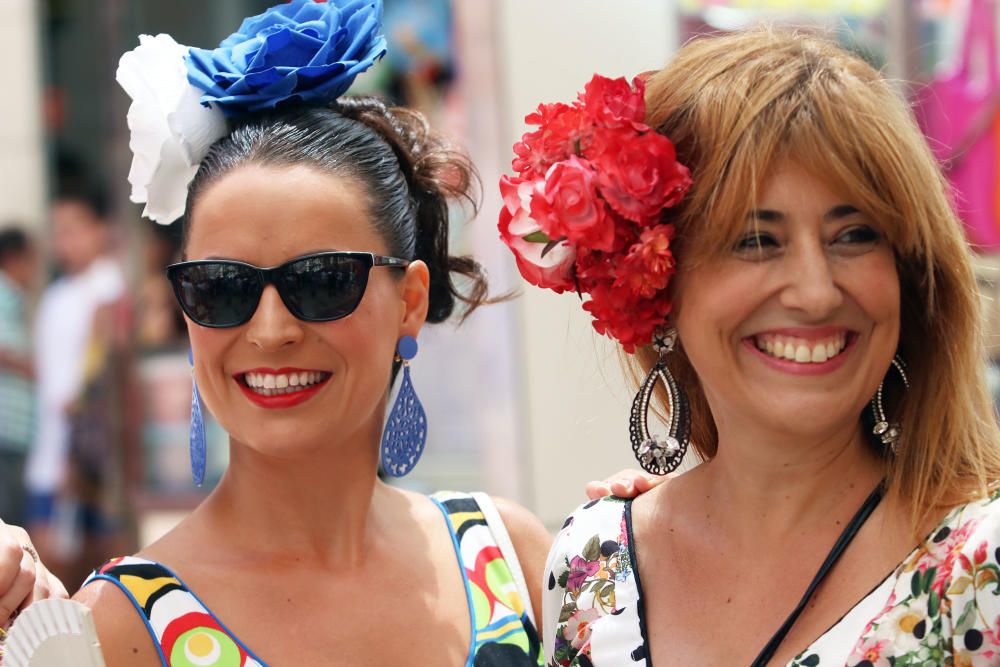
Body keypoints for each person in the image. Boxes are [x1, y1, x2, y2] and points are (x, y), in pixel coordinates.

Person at [64, 3, 555, 666]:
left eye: (323, 281)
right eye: (221, 287)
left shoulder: (511, 558)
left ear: (410, 300)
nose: (270, 330)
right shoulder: (117, 626)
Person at [506, 27, 1000, 666]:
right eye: (755, 241)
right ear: (654, 279)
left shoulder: (979, 565)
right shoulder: (590, 566)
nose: (817, 292)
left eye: (854, 235)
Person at [25, 185, 126, 585]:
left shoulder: (109, 285)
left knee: (95, 565)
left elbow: (97, 373)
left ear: (99, 229)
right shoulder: (55, 295)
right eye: (57, 231)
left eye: (73, 229)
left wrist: (75, 446)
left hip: (88, 452)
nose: (63, 241)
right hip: (51, 446)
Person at [0, 227, 38, 528]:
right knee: (9, 520)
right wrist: (32, 369)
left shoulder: (15, 297)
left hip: (15, 430)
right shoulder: (5, 294)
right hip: (6, 428)